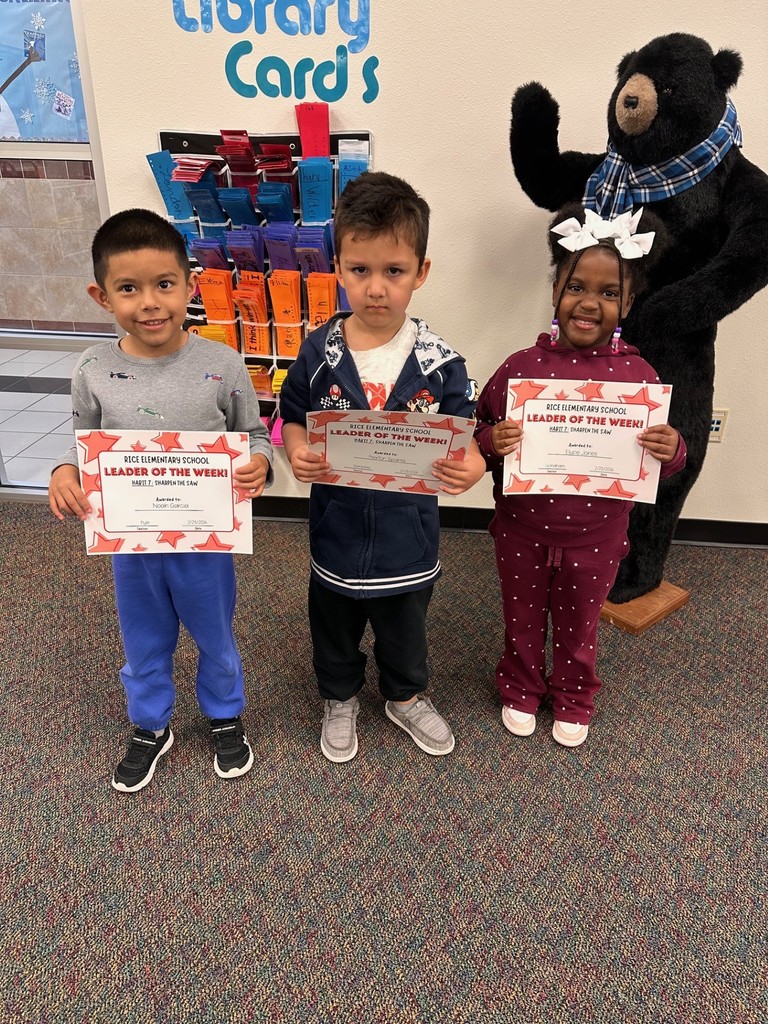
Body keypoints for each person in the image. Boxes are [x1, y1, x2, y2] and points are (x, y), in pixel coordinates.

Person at [49, 209, 273, 792]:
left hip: (204, 540)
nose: (150, 303)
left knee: (214, 633)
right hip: (131, 541)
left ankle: (224, 714)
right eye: (129, 289)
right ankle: (150, 724)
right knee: (143, 638)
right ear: (103, 297)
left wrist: (260, 465)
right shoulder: (93, 368)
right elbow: (79, 443)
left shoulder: (221, 364)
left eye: (164, 285)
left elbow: (251, 435)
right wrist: (62, 472)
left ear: (190, 285)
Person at [280, 171, 485, 763]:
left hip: (408, 538)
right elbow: (291, 414)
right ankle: (339, 695)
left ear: (421, 271)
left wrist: (470, 466)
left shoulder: (440, 363)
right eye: (359, 270)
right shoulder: (320, 352)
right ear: (337, 268)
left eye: (393, 272)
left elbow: (463, 431)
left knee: (405, 629)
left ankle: (404, 695)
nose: (375, 288)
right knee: (334, 625)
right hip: (337, 531)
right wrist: (296, 449)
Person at [474, 204, 687, 747]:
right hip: (522, 530)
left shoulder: (637, 377)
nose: (590, 302)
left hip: (597, 539)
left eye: (609, 292)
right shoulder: (519, 367)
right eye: (576, 286)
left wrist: (674, 448)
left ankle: (574, 694)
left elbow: (662, 460)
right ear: (554, 293)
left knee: (579, 626)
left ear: (628, 303)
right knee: (522, 620)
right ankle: (521, 684)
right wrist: (492, 441)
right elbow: (480, 429)